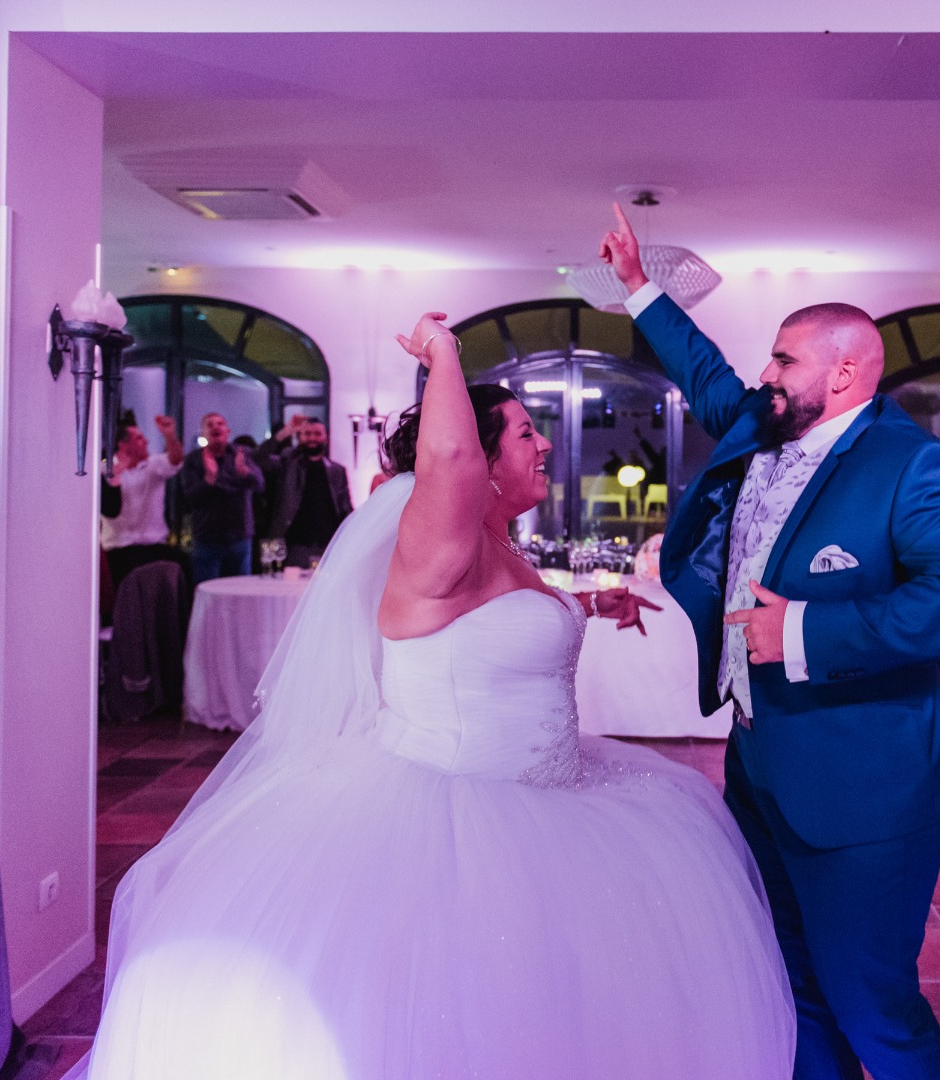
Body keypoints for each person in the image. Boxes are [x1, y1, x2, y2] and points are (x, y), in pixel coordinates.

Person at [66, 313, 794, 1080]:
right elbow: (446, 454)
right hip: (452, 813)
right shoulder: (435, 543)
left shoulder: (497, 547)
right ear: (477, 459)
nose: (543, 445)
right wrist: (443, 353)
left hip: (556, 796)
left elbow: (487, 633)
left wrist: (584, 607)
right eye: (523, 434)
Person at [600, 205, 940, 1080]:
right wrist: (639, 286)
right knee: (796, 989)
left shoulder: (911, 464)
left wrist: (811, 630)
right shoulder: (766, 427)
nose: (766, 373)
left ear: (848, 372)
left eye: (785, 359)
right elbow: (707, 374)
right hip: (761, 761)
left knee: (872, 1002)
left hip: (867, 780)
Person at [100, 414, 188, 586]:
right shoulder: (105, 470)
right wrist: (116, 477)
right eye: (139, 438)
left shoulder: (153, 465)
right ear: (123, 445)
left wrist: (169, 435)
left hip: (154, 547)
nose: (146, 442)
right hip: (119, 550)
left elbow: (175, 460)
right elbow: (109, 509)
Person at [254, 415, 354, 568]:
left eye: (317, 434)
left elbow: (345, 507)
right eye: (307, 434)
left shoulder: (337, 470)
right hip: (286, 540)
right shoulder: (287, 463)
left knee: (324, 589)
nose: (312, 438)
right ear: (299, 438)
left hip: (327, 543)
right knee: (275, 584)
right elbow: (257, 459)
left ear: (326, 438)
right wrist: (285, 432)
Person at [179, 412, 264, 582]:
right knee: (207, 594)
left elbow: (260, 485)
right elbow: (189, 498)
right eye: (209, 424)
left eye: (220, 423)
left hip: (239, 537)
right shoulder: (193, 460)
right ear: (203, 434)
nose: (215, 427)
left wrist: (245, 473)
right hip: (207, 539)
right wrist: (209, 480)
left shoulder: (242, 454)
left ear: (228, 432)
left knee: (239, 594)